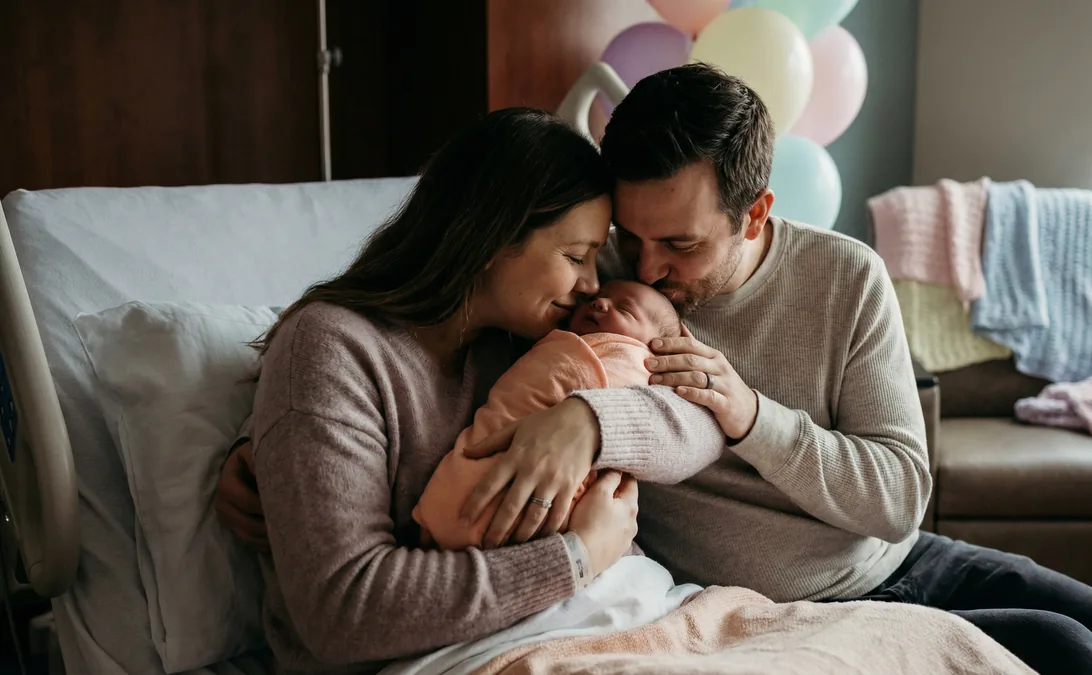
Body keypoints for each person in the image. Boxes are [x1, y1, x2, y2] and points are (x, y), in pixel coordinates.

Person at [219, 65, 1092, 674]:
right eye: (616, 242)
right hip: (749, 609)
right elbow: (389, 370)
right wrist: (259, 452)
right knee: (1073, 661)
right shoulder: (571, 288)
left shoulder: (839, 278)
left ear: (757, 215)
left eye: (677, 246)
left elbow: (895, 493)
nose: (639, 272)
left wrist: (692, 415)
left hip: (884, 565)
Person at [232, 107, 726, 674]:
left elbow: (700, 418)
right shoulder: (334, 349)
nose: (594, 284)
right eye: (575, 257)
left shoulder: (532, 336)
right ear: (492, 238)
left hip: (599, 625)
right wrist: (579, 556)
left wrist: (590, 424)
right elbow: (346, 609)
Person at [414, 279, 682, 551]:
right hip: (511, 493)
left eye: (624, 309)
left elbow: (649, 410)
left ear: (656, 347)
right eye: (601, 297)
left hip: (549, 515)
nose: (597, 299)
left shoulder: (632, 360)